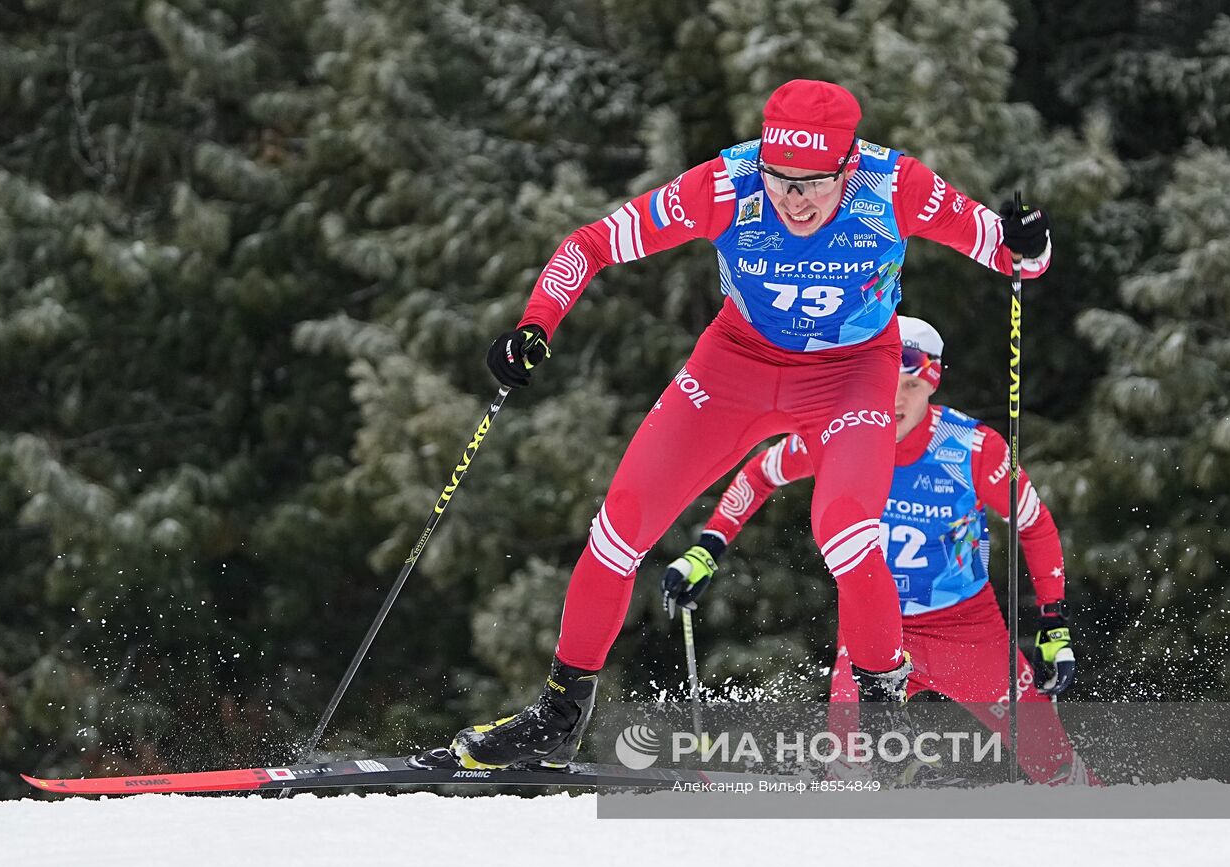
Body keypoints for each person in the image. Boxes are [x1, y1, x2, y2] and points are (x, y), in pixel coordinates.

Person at [450, 79, 1052, 770]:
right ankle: (558, 713)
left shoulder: (895, 186)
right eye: (779, 180)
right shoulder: (726, 185)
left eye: (812, 184)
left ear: (848, 167)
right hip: (736, 364)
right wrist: (534, 324)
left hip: (851, 372)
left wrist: (1029, 241)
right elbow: (590, 244)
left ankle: (884, 706)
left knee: (848, 531)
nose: (793, 200)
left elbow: (1013, 259)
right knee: (620, 528)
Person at [662, 316, 1089, 783]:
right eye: (886, 381)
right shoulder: (841, 435)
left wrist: (1054, 622)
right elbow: (761, 473)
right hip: (872, 631)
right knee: (851, 772)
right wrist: (708, 546)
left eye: (910, 384)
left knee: (1055, 763)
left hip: (965, 628)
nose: (896, 399)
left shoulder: (970, 449)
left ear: (933, 381)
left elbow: (1035, 523)